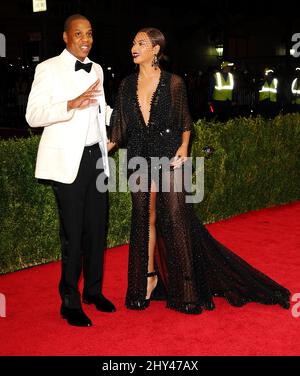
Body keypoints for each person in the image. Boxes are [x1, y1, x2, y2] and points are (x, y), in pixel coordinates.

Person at [107, 27, 290, 314]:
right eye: (133, 42)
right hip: (139, 156)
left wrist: (184, 147)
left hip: (169, 154)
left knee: (177, 217)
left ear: (155, 49)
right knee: (144, 217)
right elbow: (118, 129)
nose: (134, 46)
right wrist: (94, 150)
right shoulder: (126, 85)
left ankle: (186, 290)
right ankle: (147, 280)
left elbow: (185, 121)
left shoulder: (174, 83)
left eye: (141, 43)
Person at [26, 14, 116, 327]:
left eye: (89, 33)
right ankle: (70, 302)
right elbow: (33, 115)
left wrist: (118, 127)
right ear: (66, 37)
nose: (86, 39)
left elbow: (102, 111)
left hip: (96, 160)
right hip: (69, 163)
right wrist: (70, 104)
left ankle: (93, 291)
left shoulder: (98, 69)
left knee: (96, 231)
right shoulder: (47, 68)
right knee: (73, 235)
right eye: (79, 34)